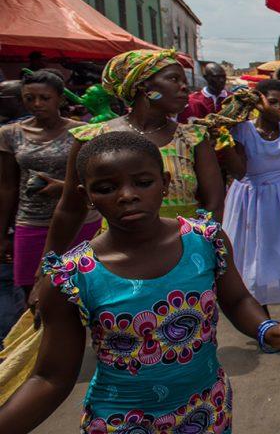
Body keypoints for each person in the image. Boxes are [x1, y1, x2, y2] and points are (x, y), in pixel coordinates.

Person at [0, 131, 280, 434]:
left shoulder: (205, 240)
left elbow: (236, 298)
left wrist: (269, 330)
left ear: (164, 184)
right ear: (86, 196)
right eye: (106, 187)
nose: (127, 195)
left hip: (206, 416)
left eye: (143, 182)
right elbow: (50, 378)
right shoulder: (72, 277)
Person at [42, 50, 225, 284]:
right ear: (144, 87)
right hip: (118, 258)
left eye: (184, 81)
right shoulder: (94, 137)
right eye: (173, 79)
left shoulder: (193, 138)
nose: (184, 88)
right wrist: (46, 269)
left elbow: (213, 204)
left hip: (184, 255)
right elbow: (70, 209)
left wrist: (203, 250)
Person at [0, 72, 102, 304]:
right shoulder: (10, 134)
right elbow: (7, 187)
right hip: (32, 221)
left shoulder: (83, 132)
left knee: (81, 292)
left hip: (80, 222)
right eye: (30, 98)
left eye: (45, 98)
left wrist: (63, 188)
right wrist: (2, 233)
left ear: (60, 99)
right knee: (34, 295)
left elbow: (95, 180)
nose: (37, 104)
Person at [223, 80, 280, 331]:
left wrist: (275, 114)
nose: (277, 107)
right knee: (255, 258)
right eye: (271, 101)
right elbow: (239, 172)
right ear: (258, 100)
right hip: (252, 200)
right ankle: (266, 324)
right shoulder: (243, 130)